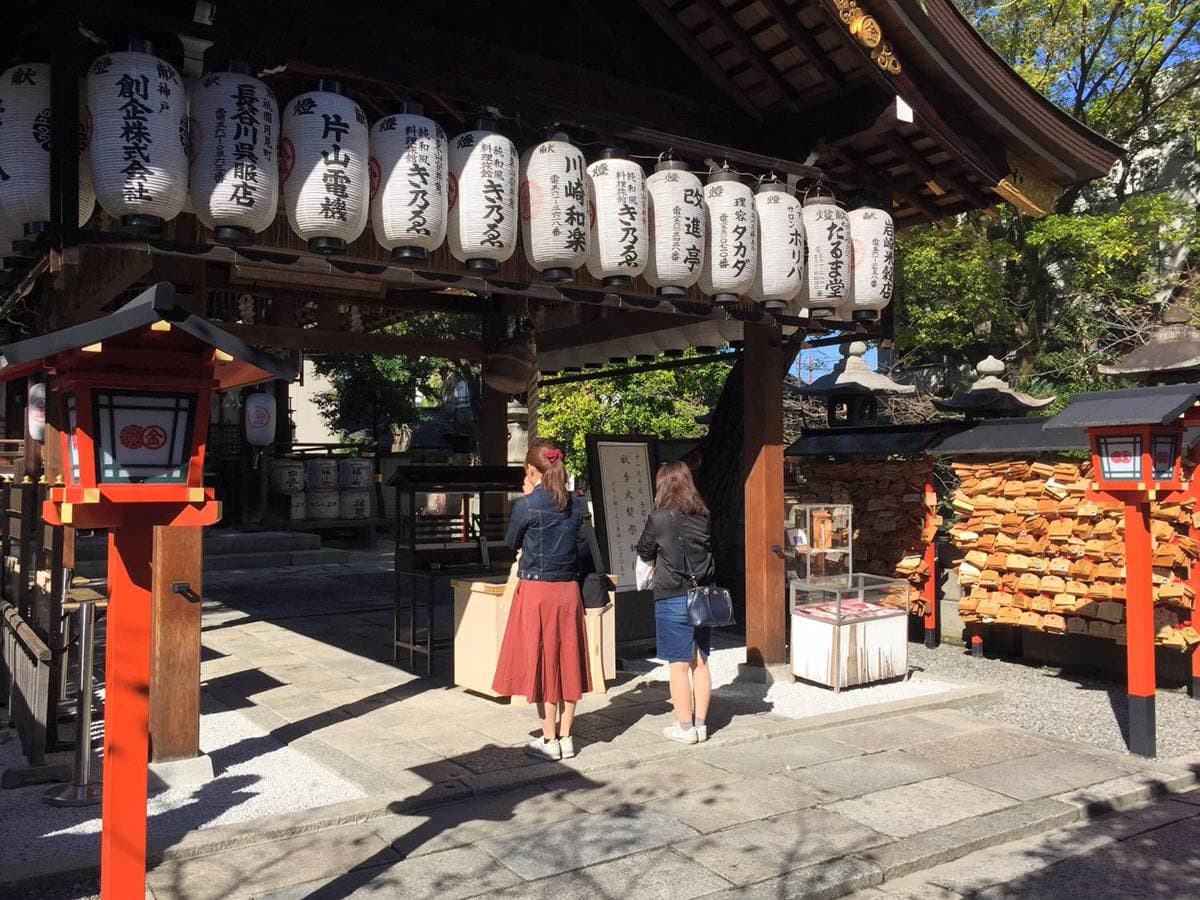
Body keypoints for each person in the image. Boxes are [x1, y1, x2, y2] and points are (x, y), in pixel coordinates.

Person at [492, 439, 591, 761]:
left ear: (531, 471)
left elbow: (510, 542)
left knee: (542, 661)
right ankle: (566, 737)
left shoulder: (527, 505)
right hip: (568, 590)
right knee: (568, 659)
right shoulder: (577, 505)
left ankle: (549, 739)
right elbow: (581, 546)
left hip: (536, 590)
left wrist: (526, 498)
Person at [636, 461, 716, 744]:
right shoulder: (702, 515)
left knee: (678, 665)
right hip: (701, 597)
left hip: (671, 596)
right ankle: (701, 724)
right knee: (701, 662)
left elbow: (644, 549)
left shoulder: (659, 518)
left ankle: (685, 728)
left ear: (663, 485)